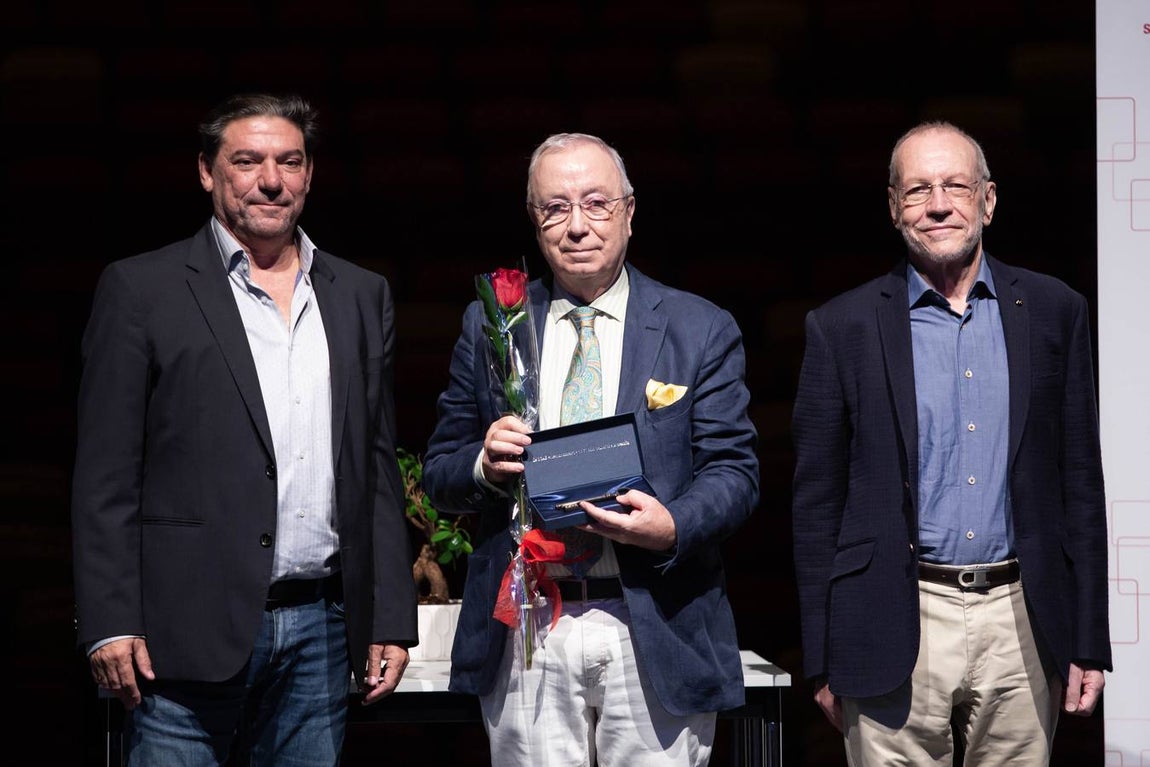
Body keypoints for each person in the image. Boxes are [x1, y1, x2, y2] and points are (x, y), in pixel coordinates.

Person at [70, 92, 418, 765]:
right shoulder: (142, 289)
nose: (271, 180)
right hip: (178, 637)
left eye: (289, 161)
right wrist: (110, 619)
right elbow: (105, 475)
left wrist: (390, 617)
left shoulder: (359, 294)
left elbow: (373, 465)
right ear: (206, 170)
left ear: (310, 173)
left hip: (321, 630)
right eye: (248, 161)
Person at [421, 132, 759, 765]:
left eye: (597, 203)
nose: (577, 225)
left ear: (630, 212)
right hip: (528, 627)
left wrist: (673, 526)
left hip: (655, 622)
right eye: (556, 208)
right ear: (535, 220)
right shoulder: (493, 324)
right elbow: (440, 472)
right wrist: (482, 465)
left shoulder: (699, 327)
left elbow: (735, 473)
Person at [791, 120, 1112, 765]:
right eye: (917, 190)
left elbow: (1081, 482)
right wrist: (822, 656)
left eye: (956, 186)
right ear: (893, 207)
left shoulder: (1055, 311)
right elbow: (816, 504)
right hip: (892, 616)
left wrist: (1089, 640)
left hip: (1022, 618)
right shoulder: (841, 327)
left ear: (987, 201)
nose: (938, 204)